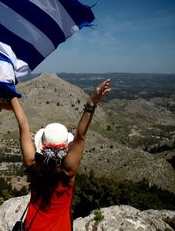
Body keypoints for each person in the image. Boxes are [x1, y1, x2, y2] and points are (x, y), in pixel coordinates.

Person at [10, 79, 111, 230]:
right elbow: (80, 136)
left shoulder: (32, 165)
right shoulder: (67, 174)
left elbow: (23, 124)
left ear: (41, 145)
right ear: (65, 147)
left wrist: (9, 90)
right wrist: (91, 103)